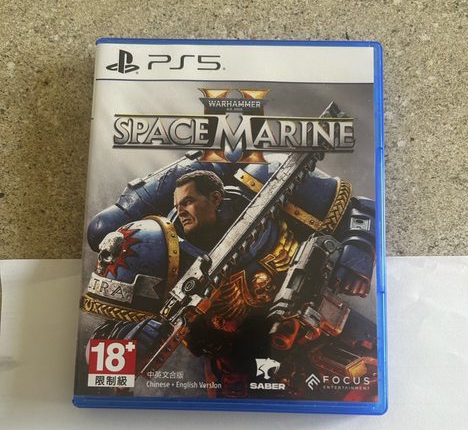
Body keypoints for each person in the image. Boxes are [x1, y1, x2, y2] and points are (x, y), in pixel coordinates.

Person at [81, 154, 378, 400]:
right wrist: (131, 340)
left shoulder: (264, 184)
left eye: (189, 202)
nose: (182, 211)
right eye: (178, 205)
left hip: (326, 332)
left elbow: (360, 209)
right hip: (241, 371)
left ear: (216, 198)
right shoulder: (157, 250)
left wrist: (358, 246)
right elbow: (103, 356)